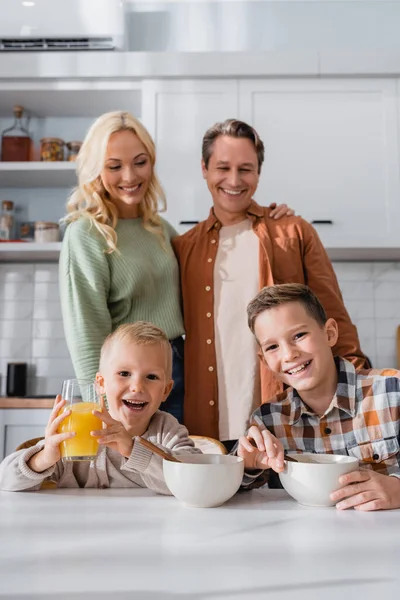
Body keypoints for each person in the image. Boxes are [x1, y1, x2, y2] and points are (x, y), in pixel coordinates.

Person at [59, 111, 292, 424]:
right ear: (96, 170)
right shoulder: (85, 233)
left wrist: (266, 216)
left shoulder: (160, 229)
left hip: (176, 371)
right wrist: (104, 410)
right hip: (130, 381)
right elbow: (86, 335)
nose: (129, 176)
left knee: (178, 467)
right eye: (114, 166)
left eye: (140, 162)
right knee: (136, 469)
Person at [173, 118, 369, 449]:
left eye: (245, 169)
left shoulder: (293, 232)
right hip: (205, 426)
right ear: (204, 169)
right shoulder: (183, 247)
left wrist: (360, 391)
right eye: (223, 167)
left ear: (259, 173)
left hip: (289, 420)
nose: (234, 181)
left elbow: (335, 318)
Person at [237, 283, 400, 511]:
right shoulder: (267, 421)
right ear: (264, 360)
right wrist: (246, 466)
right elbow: (240, 492)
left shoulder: (393, 392)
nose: (289, 354)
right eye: (272, 347)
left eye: (299, 335)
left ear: (330, 333)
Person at [0, 322, 201, 493]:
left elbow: (196, 479)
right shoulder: (76, 432)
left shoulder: (166, 430)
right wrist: (42, 459)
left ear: (166, 390)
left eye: (151, 377)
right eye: (124, 373)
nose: (137, 387)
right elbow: (5, 480)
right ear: (101, 384)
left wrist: (133, 450)